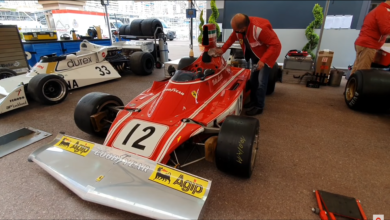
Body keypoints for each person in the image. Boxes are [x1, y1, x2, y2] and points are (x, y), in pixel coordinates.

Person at [214, 13, 281, 116]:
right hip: (255, 55)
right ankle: (253, 101)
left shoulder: (260, 29)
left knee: (261, 81)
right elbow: (232, 38)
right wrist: (222, 50)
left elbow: (276, 45)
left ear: (243, 28)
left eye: (236, 30)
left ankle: (259, 106)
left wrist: (263, 60)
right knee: (253, 79)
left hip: (267, 57)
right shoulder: (239, 28)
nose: (234, 31)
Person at [351, 1, 390, 75]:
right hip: (369, 45)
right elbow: (385, 30)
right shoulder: (384, 11)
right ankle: (359, 86)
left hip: (363, 43)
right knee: (363, 71)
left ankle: (352, 85)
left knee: (357, 68)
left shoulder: (378, 9)